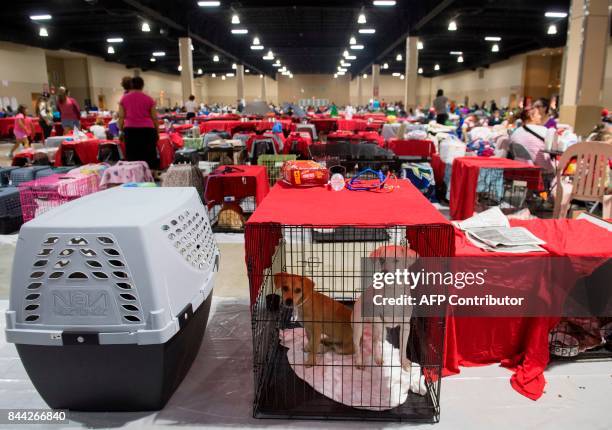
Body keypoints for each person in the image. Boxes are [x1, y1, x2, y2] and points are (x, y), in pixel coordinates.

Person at [118, 76, 159, 169]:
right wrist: (157, 131)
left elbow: (121, 117)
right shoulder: (149, 99)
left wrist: (121, 130)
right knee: (149, 155)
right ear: (142, 85)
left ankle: (134, 177)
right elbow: (154, 118)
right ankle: (149, 176)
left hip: (130, 130)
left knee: (132, 155)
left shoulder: (124, 99)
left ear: (131, 85)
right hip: (148, 130)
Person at [510, 107, 553, 173]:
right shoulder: (544, 130)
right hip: (542, 170)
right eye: (538, 114)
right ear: (531, 117)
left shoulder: (515, 132)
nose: (540, 116)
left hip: (521, 168)